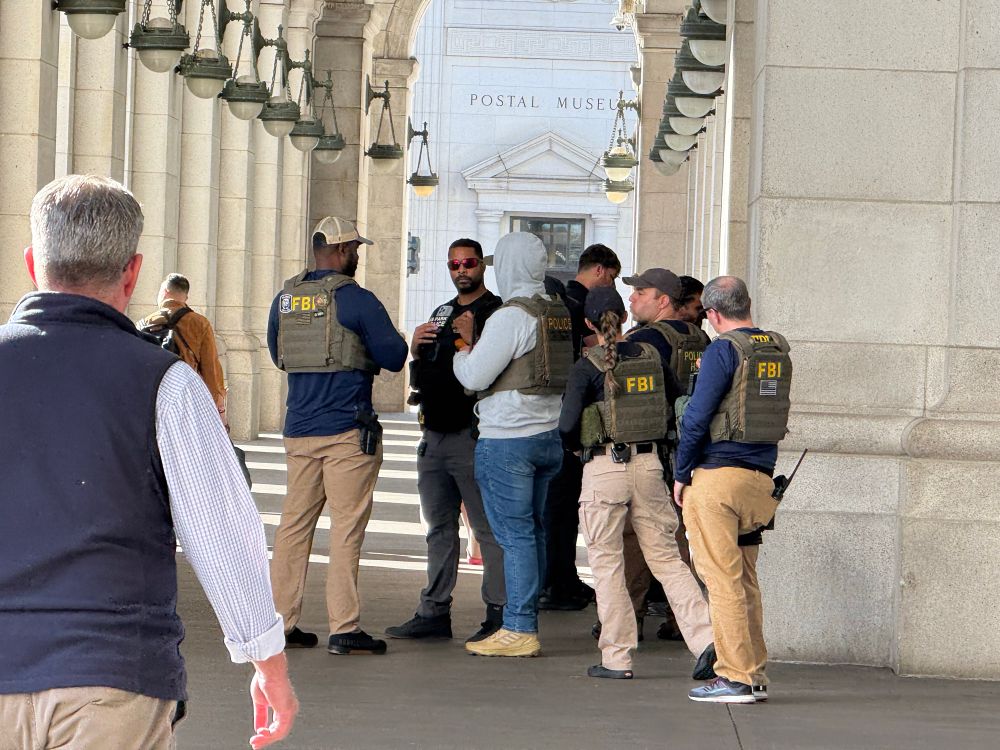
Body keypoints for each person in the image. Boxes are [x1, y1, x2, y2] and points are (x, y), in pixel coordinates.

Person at [0, 175, 296, 749]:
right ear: (133, 273)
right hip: (113, 679)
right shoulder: (168, 383)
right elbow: (222, 533)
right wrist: (268, 662)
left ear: (34, 263)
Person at [266, 217, 408, 656]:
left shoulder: (285, 300)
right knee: (345, 530)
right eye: (356, 249)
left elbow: (278, 356)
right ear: (344, 251)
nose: (359, 256)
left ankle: (281, 623)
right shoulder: (357, 299)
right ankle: (344, 628)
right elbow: (394, 356)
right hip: (347, 431)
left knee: (293, 528)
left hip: (300, 430)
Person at [559, 286, 715, 680]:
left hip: (602, 468)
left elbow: (566, 426)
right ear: (624, 319)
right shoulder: (651, 358)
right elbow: (677, 405)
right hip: (649, 465)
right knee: (666, 558)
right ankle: (707, 638)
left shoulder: (587, 367)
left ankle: (617, 657)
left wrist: (580, 451)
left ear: (589, 323)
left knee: (607, 563)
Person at [673, 276, 793, 703]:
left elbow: (696, 419)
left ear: (712, 314)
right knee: (745, 579)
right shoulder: (775, 348)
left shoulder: (723, 349)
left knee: (721, 580)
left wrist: (681, 473)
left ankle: (734, 677)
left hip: (717, 478)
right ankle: (754, 674)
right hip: (760, 480)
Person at [453, 232, 571, 657]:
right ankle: (527, 616)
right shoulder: (555, 313)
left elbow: (473, 377)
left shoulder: (510, 317)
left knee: (514, 534)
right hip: (546, 435)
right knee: (533, 531)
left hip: (509, 439)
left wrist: (464, 346)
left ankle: (519, 627)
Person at [386, 239, 505, 643]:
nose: (461, 270)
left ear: (482, 266)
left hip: (471, 435)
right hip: (433, 433)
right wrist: (416, 350)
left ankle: (500, 611)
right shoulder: (442, 311)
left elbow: (488, 372)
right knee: (438, 528)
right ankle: (433, 610)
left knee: (486, 528)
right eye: (454, 263)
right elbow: (428, 370)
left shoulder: (496, 313)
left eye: (468, 262)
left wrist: (469, 340)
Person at [614, 268, 711, 639]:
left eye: (641, 292)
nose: (633, 298)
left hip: (649, 447)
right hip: (689, 449)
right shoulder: (699, 337)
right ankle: (681, 618)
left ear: (663, 300)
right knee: (682, 537)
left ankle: (631, 614)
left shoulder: (643, 340)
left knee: (635, 535)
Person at [540, 244, 622, 612]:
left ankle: (556, 580)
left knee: (555, 510)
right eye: (615, 278)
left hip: (553, 419)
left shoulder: (557, 304)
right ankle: (560, 581)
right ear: (602, 270)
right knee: (562, 511)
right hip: (578, 428)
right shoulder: (577, 308)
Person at [137, 273, 229, 427]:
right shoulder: (199, 323)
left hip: (152, 398)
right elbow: (210, 369)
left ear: (165, 291)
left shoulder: (143, 324)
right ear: (185, 298)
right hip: (186, 398)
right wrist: (218, 408)